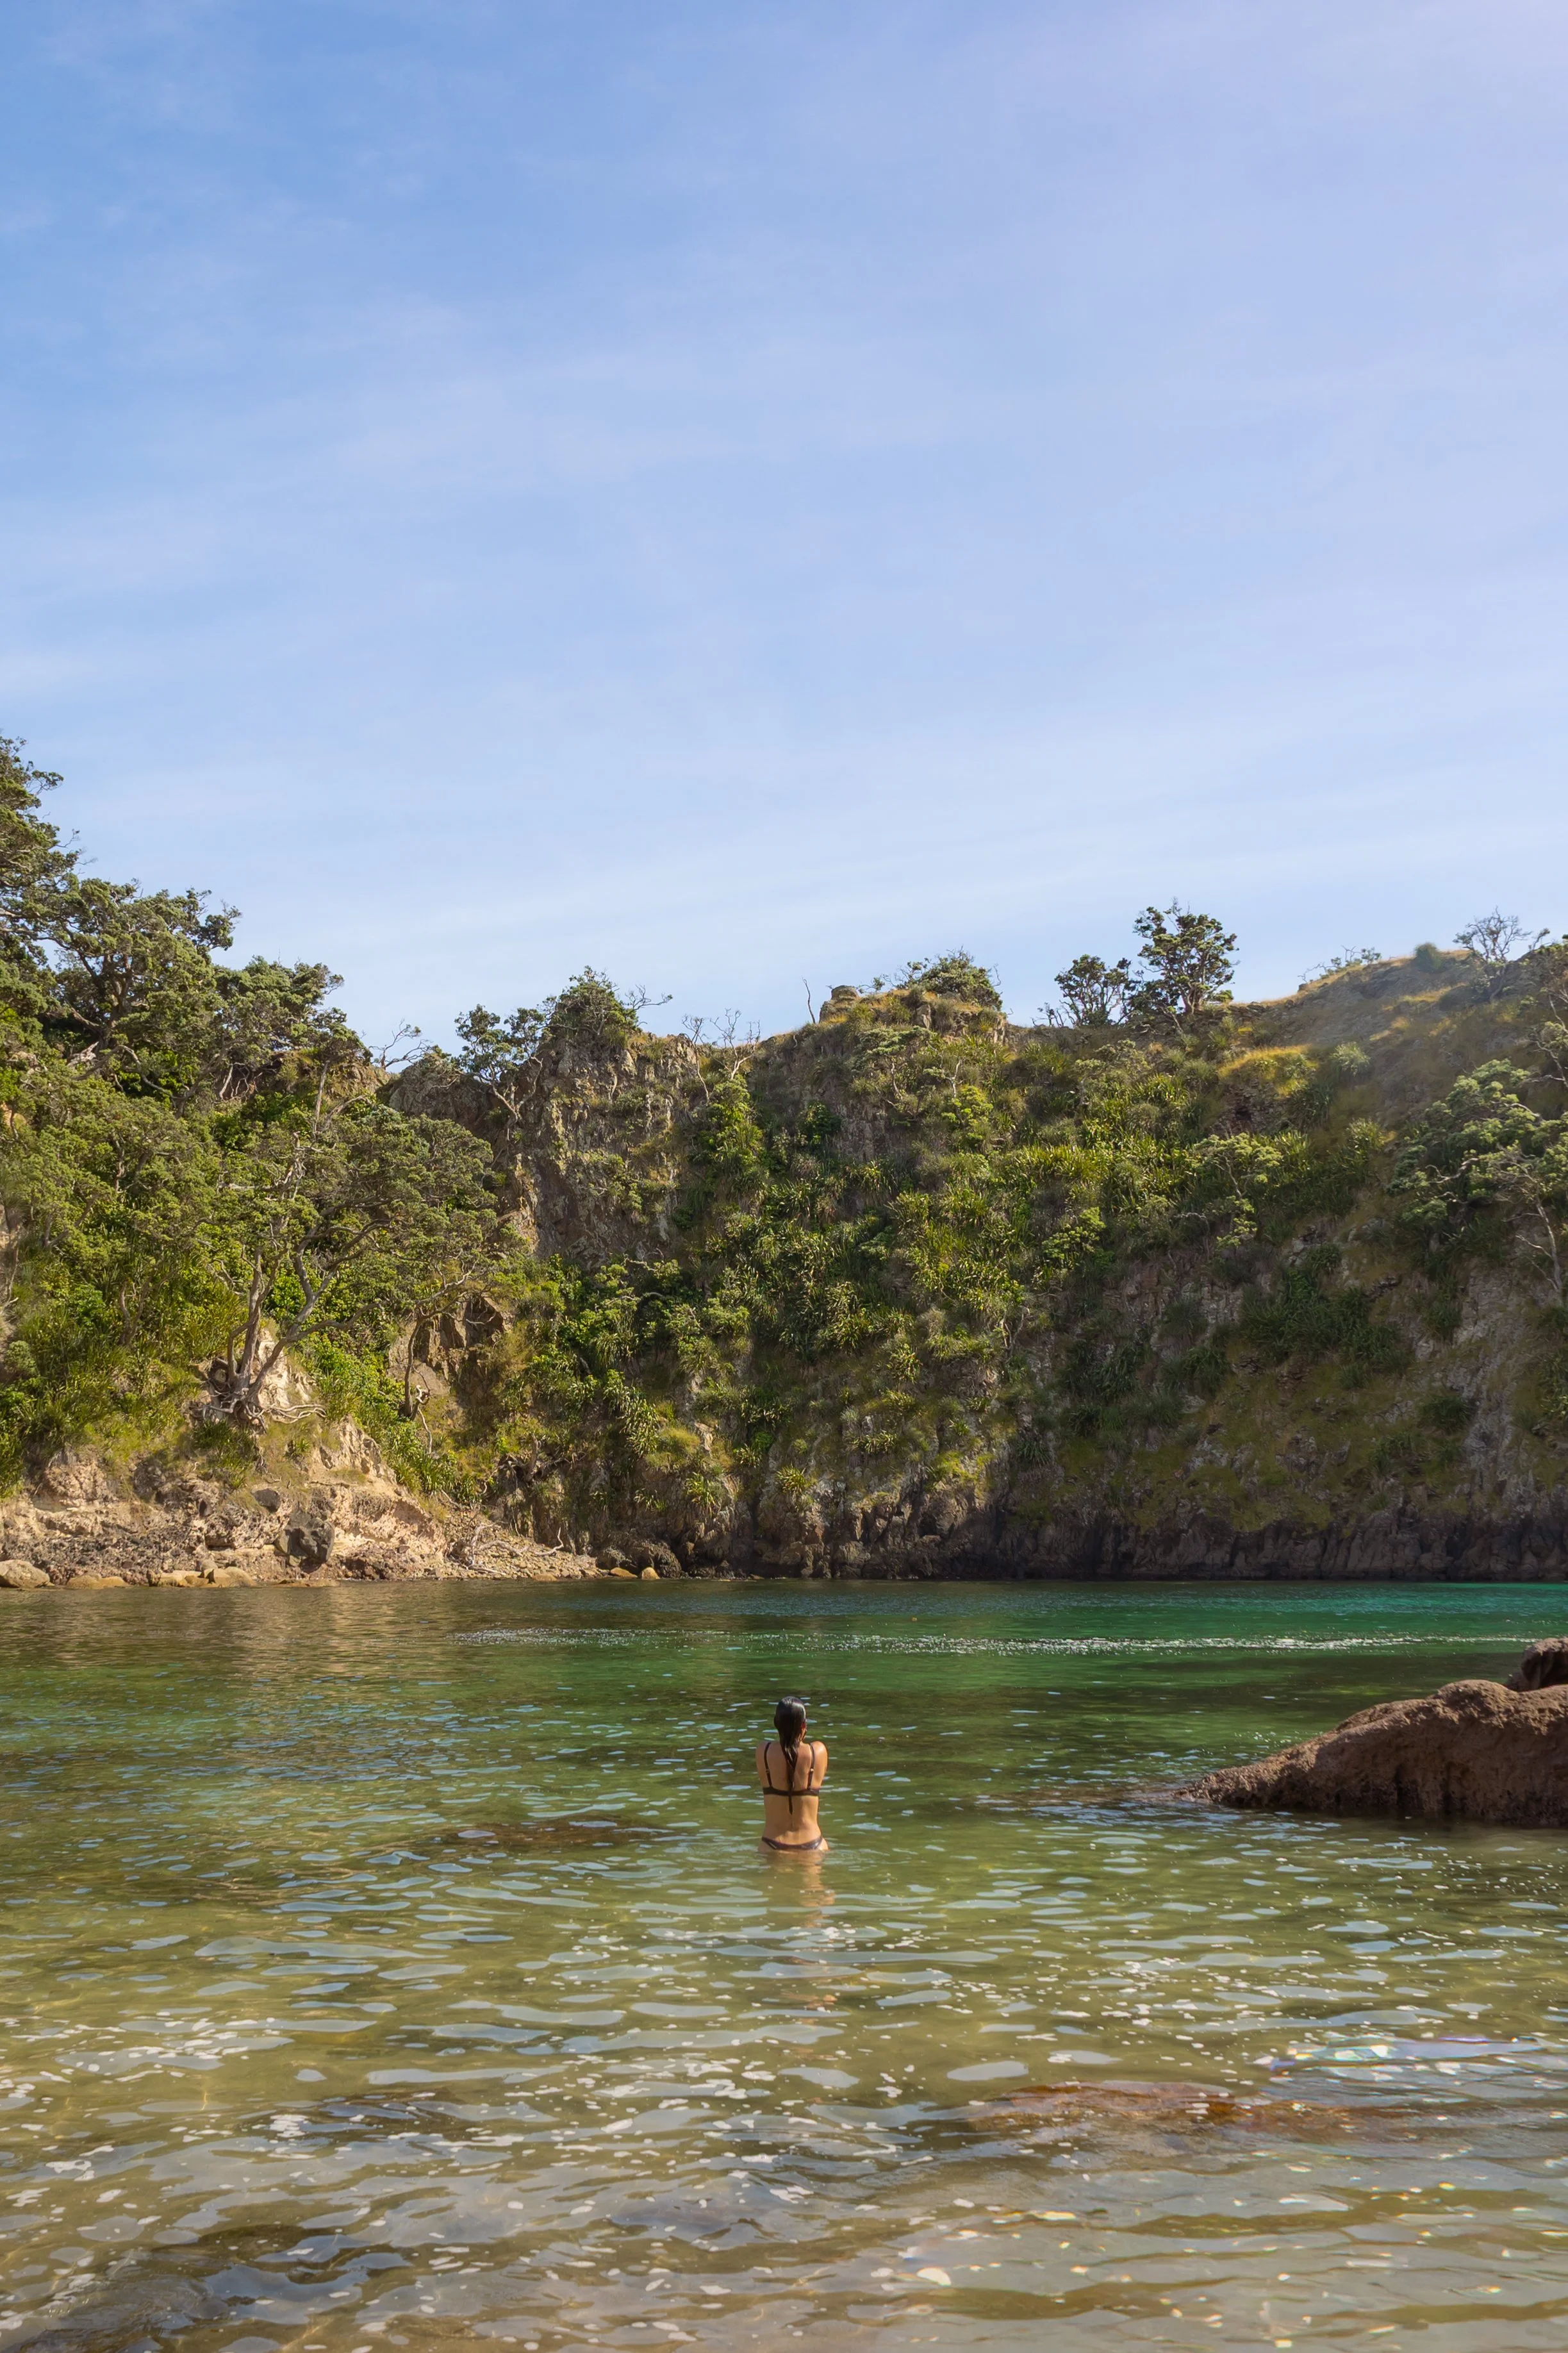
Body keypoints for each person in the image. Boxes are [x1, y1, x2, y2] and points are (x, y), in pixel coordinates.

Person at [757, 1697, 829, 1852]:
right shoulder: (818, 1751)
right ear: (804, 1726)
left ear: (776, 1723)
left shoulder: (763, 1752)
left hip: (772, 1844)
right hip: (813, 1844)